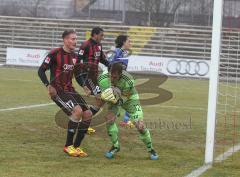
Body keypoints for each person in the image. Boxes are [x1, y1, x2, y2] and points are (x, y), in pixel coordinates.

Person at [38, 29, 92, 157]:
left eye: (76, 39)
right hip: (58, 90)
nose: (75, 41)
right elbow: (41, 71)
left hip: (70, 90)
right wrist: (48, 85)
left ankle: (77, 147)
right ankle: (68, 146)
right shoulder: (54, 53)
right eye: (73, 39)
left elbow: (78, 75)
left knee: (88, 114)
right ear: (65, 40)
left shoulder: (75, 57)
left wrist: (84, 86)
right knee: (77, 111)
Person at [98, 62, 159, 160]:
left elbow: (124, 98)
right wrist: (102, 97)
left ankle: (151, 149)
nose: (112, 79)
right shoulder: (102, 79)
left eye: (115, 77)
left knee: (140, 126)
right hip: (114, 100)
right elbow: (100, 100)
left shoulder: (128, 80)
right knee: (109, 120)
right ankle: (115, 146)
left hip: (130, 99)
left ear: (120, 75)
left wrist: (112, 97)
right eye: (110, 76)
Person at [75, 27, 109, 134]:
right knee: (100, 99)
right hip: (87, 76)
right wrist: (81, 80)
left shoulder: (99, 45)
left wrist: (111, 65)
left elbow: (102, 59)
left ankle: (84, 122)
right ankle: (83, 124)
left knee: (101, 100)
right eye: (101, 35)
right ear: (94, 34)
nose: (102, 37)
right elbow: (78, 62)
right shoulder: (85, 45)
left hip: (95, 76)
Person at [108, 35, 133, 128]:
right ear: (123, 42)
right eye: (129, 41)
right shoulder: (117, 51)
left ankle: (122, 118)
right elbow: (109, 63)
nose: (130, 43)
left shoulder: (123, 52)